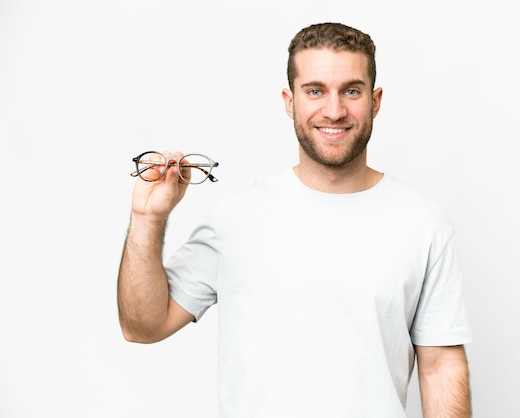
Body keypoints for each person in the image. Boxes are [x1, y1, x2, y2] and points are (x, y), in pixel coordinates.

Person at [118, 22, 472, 418]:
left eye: (351, 91)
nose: (334, 110)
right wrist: (147, 218)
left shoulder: (422, 223)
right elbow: (143, 326)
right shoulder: (236, 218)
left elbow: (441, 365)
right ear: (290, 102)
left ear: (375, 101)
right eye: (315, 90)